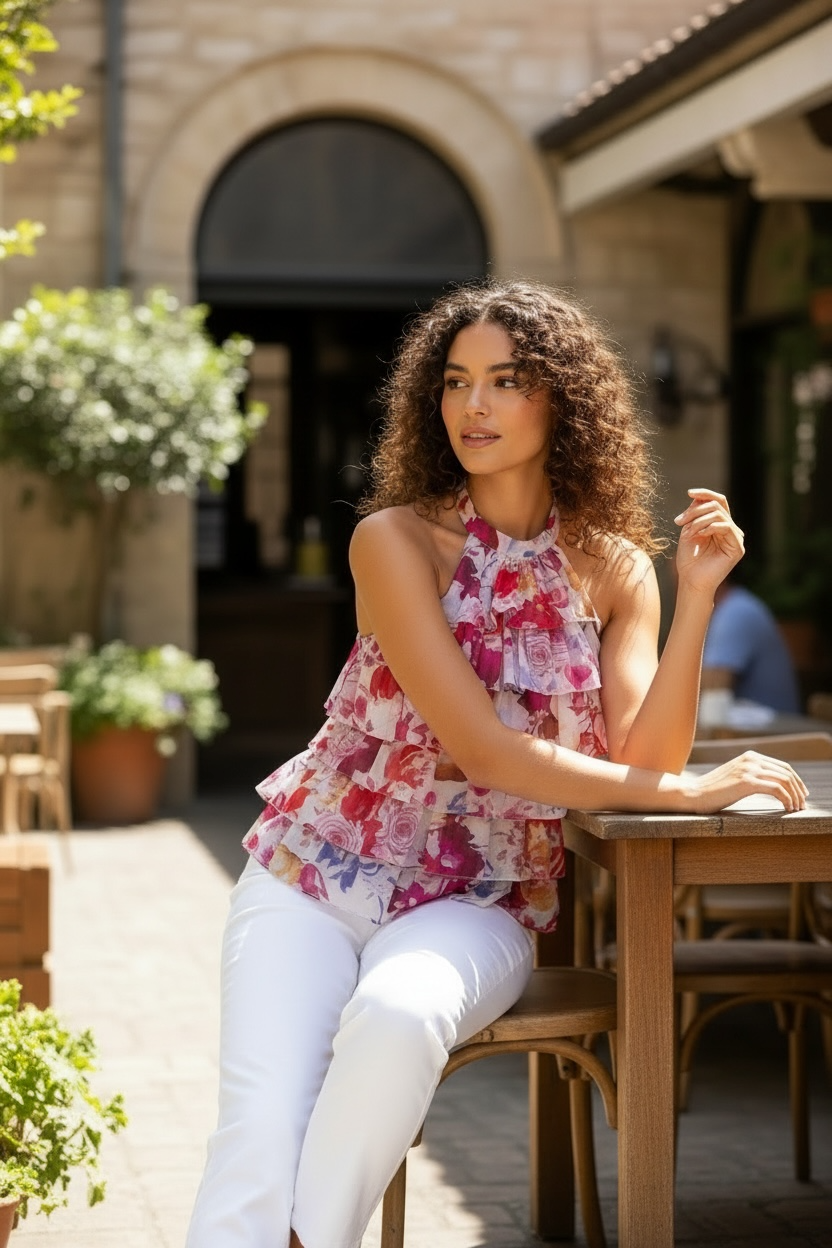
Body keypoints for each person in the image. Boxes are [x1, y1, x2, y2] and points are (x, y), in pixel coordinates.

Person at [185, 280, 807, 1248]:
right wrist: (689, 792)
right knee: (259, 1133)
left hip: (475, 901)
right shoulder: (393, 542)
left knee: (397, 1014)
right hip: (312, 874)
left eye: (505, 381)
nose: (473, 406)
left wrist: (694, 601)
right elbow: (483, 747)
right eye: (456, 382)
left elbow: (643, 752)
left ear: (560, 397)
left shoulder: (612, 567)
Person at [702, 577, 800, 713]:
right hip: (765, 725)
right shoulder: (733, 607)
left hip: (774, 729)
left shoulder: (736, 613)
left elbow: (714, 690)